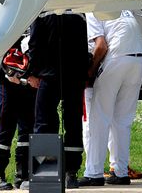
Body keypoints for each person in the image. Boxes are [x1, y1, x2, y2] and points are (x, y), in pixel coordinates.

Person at [78, 10, 142, 186]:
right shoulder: (123, 7)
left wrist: (90, 72)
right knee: (123, 120)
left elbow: (101, 46)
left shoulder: (93, 8)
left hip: (116, 58)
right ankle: (121, 172)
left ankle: (94, 173)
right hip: (138, 60)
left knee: (99, 119)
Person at [25, 12, 89, 188]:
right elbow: (84, 45)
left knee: (43, 123)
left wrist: (32, 72)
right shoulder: (79, 13)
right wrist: (83, 74)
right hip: (74, 76)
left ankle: (46, 174)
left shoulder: (42, 12)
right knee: (73, 124)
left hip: (49, 76)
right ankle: (71, 173)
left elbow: (35, 44)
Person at [0, 37, 36, 191]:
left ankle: (23, 173)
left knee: (28, 124)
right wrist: (7, 71)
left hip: (28, 75)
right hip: (5, 76)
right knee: (6, 122)